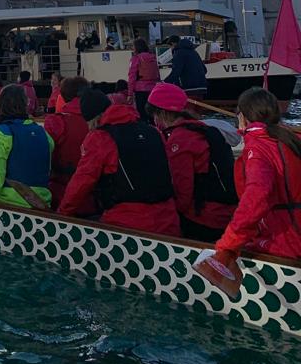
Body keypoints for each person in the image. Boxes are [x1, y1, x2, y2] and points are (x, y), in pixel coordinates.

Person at [59, 89, 180, 235]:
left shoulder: (100, 137)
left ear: (92, 120)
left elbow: (82, 181)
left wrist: (61, 214)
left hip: (127, 225)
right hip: (169, 221)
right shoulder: (153, 132)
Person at [212, 88, 301, 261]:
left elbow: (257, 196)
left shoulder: (259, 147)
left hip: (286, 243)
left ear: (242, 117)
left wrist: (229, 243)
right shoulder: (291, 139)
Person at [146, 83, 237, 242]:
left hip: (205, 218)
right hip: (228, 213)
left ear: (161, 113)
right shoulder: (205, 129)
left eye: (154, 115)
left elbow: (183, 191)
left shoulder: (180, 139)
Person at [43, 76, 89, 208]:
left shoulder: (56, 121)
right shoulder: (98, 121)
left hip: (61, 192)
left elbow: (44, 157)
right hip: (94, 196)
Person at [127, 37, 161, 120]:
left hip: (140, 90)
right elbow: (157, 73)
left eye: (133, 46)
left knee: (142, 114)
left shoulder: (136, 58)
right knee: (152, 114)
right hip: (153, 89)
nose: (132, 48)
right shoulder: (153, 57)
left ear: (137, 47)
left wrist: (130, 94)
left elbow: (132, 76)